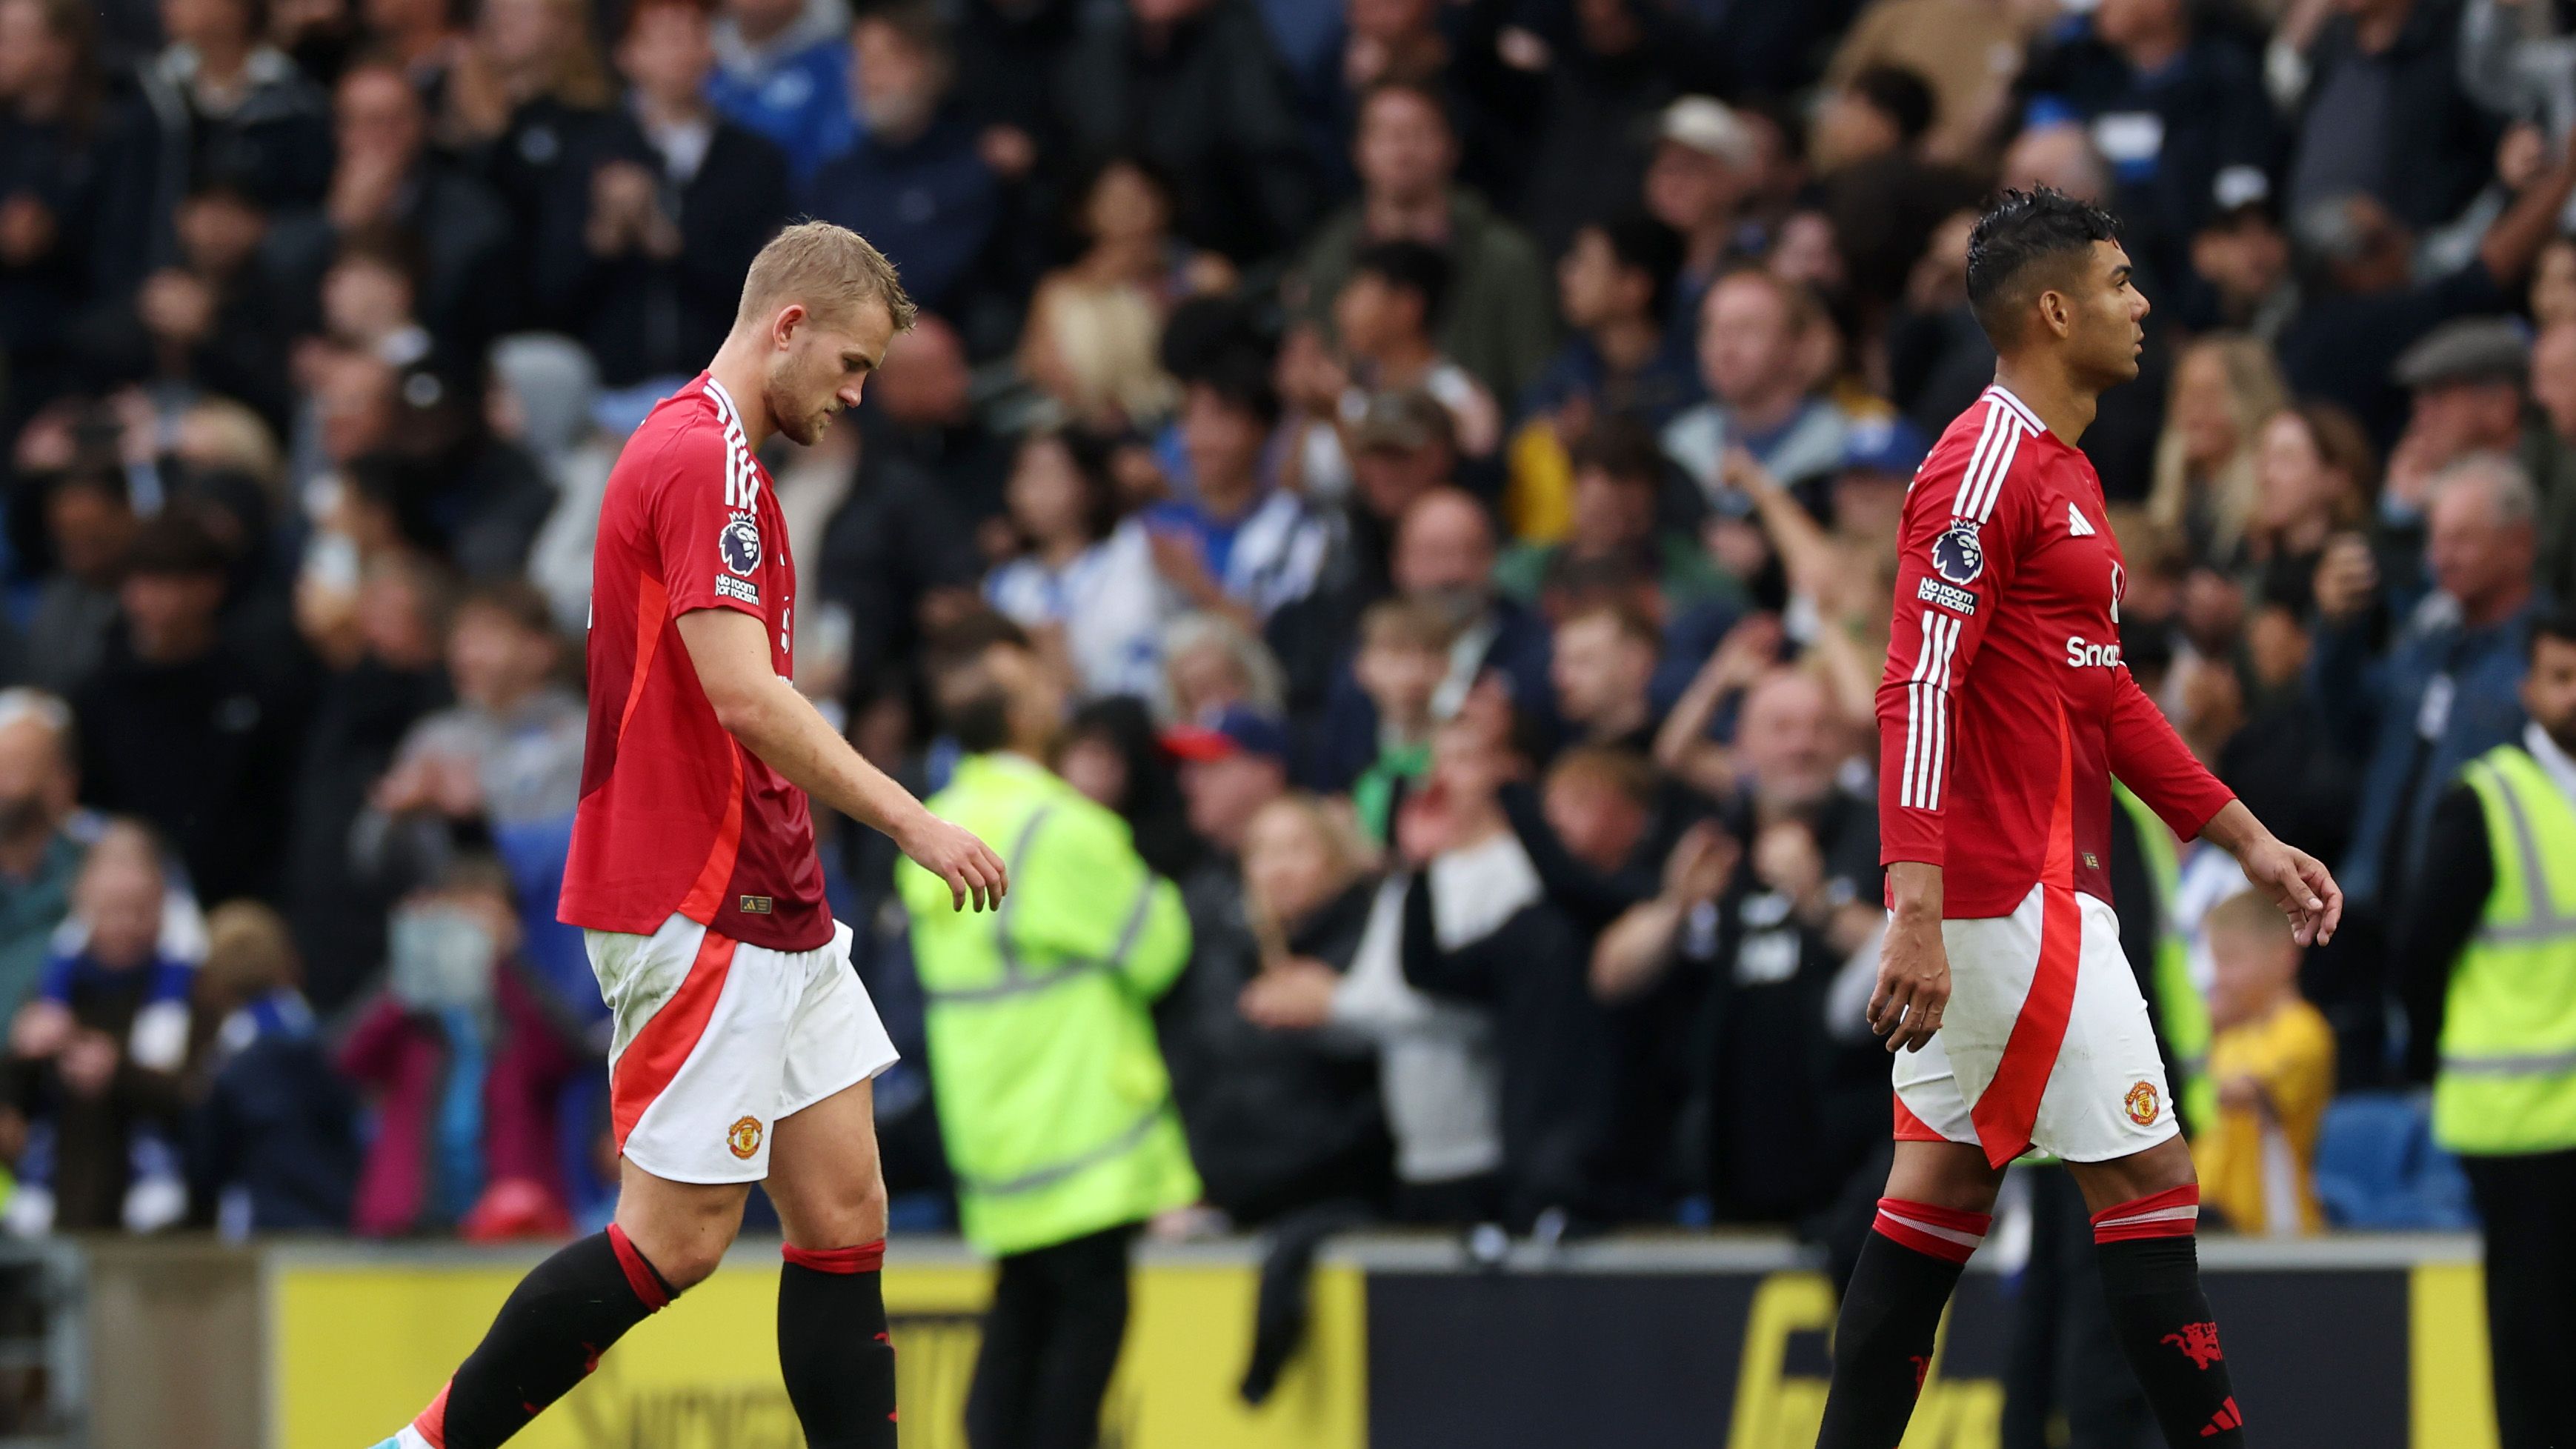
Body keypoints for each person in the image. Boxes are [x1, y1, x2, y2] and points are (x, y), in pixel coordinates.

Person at [371, 221, 1008, 1449]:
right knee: (676, 1241)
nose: (857, 391)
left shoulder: (722, 463)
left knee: (843, 1209)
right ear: (788, 327)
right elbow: (742, 694)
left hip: (776, 895)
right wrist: (914, 820)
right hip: (696, 890)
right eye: (852, 363)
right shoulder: (701, 458)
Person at [1816, 187, 2343, 1449]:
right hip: (2003, 901)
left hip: (2034, 895)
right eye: (2117, 282)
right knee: (2155, 1185)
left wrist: (2246, 839)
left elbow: (2103, 698)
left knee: (1933, 1202)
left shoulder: (2068, 474)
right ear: (2053, 309)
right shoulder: (1979, 466)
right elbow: (1916, 685)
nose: (2140, 303)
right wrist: (1919, 910)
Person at [900, 617, 1197, 1449]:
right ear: (1026, 719)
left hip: (994, 1131)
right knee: (1080, 1341)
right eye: (1040, 685)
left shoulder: (937, 822)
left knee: (1020, 1317)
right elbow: (1160, 947)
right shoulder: (1058, 828)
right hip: (1082, 1130)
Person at [2390, 606, 2576, 1449]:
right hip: (2521, 1124)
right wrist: (2433, 1062)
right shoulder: (2488, 800)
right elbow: (2419, 952)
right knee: (2537, 1349)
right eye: (2562, 678)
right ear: (2528, 689)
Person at [3, 820, 193, 1236]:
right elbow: (15, 1112)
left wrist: (120, 1075)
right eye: (110, 909)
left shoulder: (195, 990)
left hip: (162, 1227)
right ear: (81, 903)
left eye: (138, 909)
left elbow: (204, 1107)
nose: (124, 925)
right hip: (55, 1214)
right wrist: (23, 1056)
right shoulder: (48, 991)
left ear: (163, 901)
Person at [2191, 888, 2334, 1236]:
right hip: (2212, 1219)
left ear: (2284, 957)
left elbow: (2243, 1091)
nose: (2220, 978)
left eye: (2232, 960)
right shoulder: (2230, 1039)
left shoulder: (2303, 1031)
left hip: (2275, 1227)